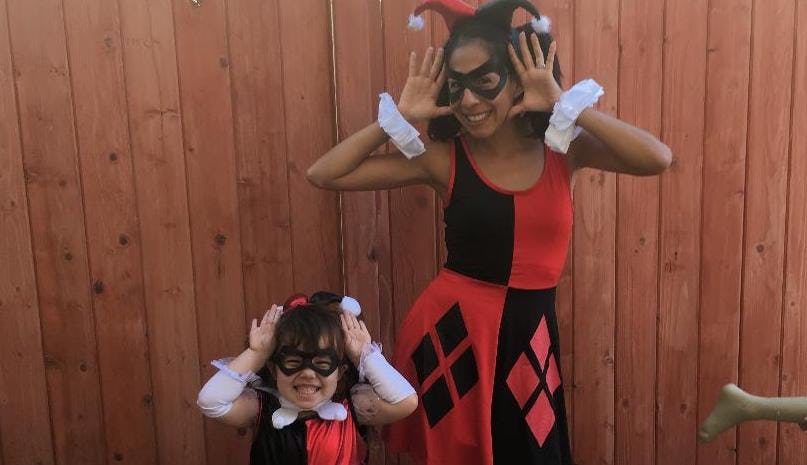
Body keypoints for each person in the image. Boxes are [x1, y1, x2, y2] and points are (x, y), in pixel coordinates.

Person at [306, 0, 671, 463]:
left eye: (485, 82)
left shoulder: (562, 150)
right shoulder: (445, 159)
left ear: (517, 80)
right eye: (457, 86)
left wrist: (563, 102)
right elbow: (324, 174)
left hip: (530, 330)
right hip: (455, 335)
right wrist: (397, 117)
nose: (469, 102)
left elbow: (657, 158)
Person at [196, 292, 418, 465]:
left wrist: (364, 355)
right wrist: (257, 354)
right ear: (274, 369)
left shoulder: (353, 408)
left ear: (339, 372)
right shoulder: (261, 408)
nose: (308, 373)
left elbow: (406, 401)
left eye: (322, 363)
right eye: (293, 362)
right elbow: (210, 401)